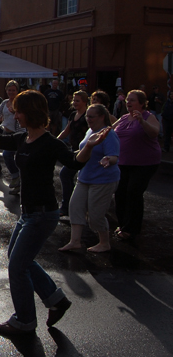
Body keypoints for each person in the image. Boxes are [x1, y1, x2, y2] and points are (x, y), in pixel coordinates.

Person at [0, 90, 109, 336]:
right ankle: (56, 299)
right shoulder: (21, 139)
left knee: (17, 267)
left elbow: (74, 162)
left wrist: (89, 146)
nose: (15, 115)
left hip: (43, 214)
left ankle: (25, 320)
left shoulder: (51, 143)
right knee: (18, 259)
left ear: (31, 113)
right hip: (28, 214)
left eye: (19, 110)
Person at [59, 104, 119, 253]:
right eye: (87, 116)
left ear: (101, 117)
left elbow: (114, 157)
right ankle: (75, 241)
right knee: (75, 207)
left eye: (91, 116)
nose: (88, 119)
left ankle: (104, 242)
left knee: (96, 214)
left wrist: (107, 159)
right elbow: (85, 148)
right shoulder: (90, 131)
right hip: (84, 176)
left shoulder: (108, 134)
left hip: (103, 179)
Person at [112, 90, 161, 241]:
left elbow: (154, 133)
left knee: (133, 191)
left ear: (141, 103)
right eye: (127, 100)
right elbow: (109, 131)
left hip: (145, 163)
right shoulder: (124, 118)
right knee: (120, 192)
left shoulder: (148, 116)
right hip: (124, 162)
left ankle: (131, 229)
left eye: (132, 100)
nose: (128, 103)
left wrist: (142, 121)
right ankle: (122, 224)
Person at [57, 91, 89, 217]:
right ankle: (68, 206)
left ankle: (72, 207)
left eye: (78, 100)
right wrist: (54, 140)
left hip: (86, 151)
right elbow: (66, 131)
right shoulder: (73, 115)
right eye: (74, 100)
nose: (75, 103)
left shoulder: (88, 116)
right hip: (74, 150)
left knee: (70, 175)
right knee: (67, 175)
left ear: (85, 102)